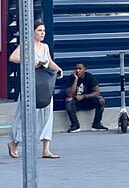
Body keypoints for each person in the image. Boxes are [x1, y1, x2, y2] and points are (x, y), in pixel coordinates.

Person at [7, 21, 64, 159]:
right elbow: (13, 58)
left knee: (47, 115)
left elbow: (49, 61)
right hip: (30, 85)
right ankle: (14, 142)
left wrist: (58, 69)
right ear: (33, 32)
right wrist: (31, 61)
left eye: (43, 30)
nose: (42, 33)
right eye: (39, 30)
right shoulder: (26, 46)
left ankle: (46, 149)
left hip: (45, 86)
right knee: (24, 115)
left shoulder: (45, 47)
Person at [65, 63, 108, 132]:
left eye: (80, 69)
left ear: (84, 70)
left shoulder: (90, 77)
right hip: (76, 103)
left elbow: (97, 92)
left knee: (101, 100)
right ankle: (75, 125)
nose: (78, 71)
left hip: (89, 101)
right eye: (76, 69)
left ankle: (96, 124)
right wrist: (75, 79)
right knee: (68, 101)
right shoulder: (71, 78)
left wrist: (83, 96)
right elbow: (69, 94)